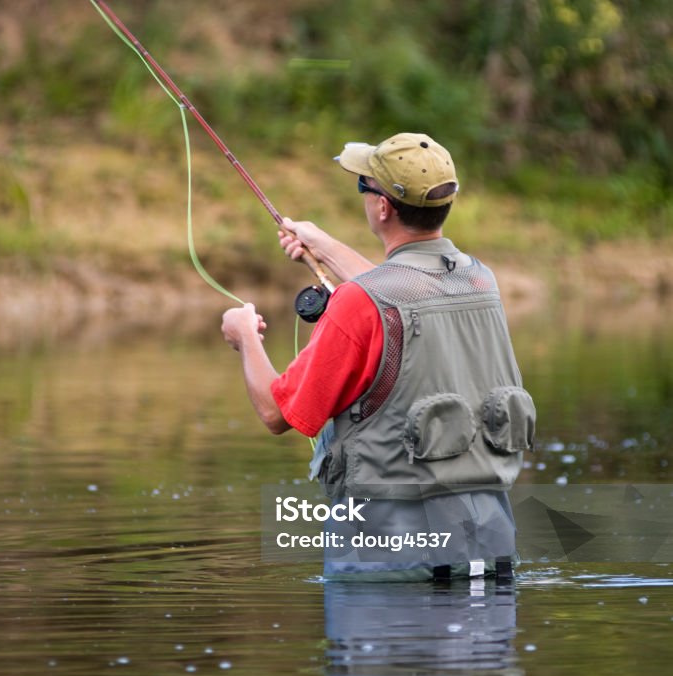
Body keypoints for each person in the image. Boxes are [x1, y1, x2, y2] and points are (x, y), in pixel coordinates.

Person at [221, 132, 535, 580]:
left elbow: (276, 413)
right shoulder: (479, 281)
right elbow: (402, 290)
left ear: (383, 207)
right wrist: (322, 246)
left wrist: (245, 336)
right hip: (490, 548)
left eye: (362, 187)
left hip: (393, 561)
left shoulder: (360, 304)